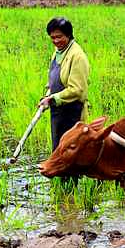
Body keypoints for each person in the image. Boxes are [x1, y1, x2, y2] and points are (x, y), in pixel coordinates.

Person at [39, 17, 90, 156]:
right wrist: (48, 94)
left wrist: (52, 98)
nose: (56, 41)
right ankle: (60, 178)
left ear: (68, 34)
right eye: (52, 37)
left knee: (71, 152)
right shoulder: (57, 52)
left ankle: (72, 178)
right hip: (58, 110)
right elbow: (55, 78)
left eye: (59, 37)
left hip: (72, 112)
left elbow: (77, 90)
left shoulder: (77, 56)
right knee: (58, 149)